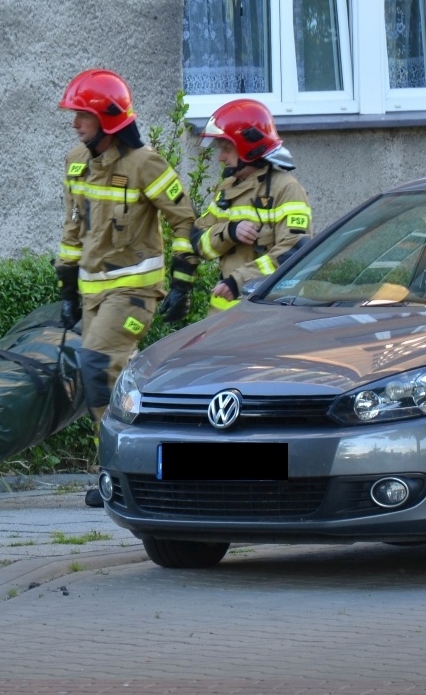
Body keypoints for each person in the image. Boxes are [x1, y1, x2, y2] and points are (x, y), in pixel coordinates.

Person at [55, 69, 198, 508]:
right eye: (75, 114)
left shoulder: (144, 164)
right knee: (120, 381)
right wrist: (66, 287)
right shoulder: (76, 162)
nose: (75, 122)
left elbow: (184, 219)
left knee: (96, 369)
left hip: (134, 291)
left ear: (108, 119)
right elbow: (73, 228)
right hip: (93, 292)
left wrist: (182, 281)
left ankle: (114, 472)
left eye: (83, 115)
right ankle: (160, 464)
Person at [193, 99, 312, 312]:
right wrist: (229, 231)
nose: (221, 157)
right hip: (221, 313)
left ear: (248, 147)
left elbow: (293, 253)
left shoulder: (286, 190)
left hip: (267, 312)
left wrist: (238, 281)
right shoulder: (226, 189)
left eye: (227, 149)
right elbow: (201, 243)